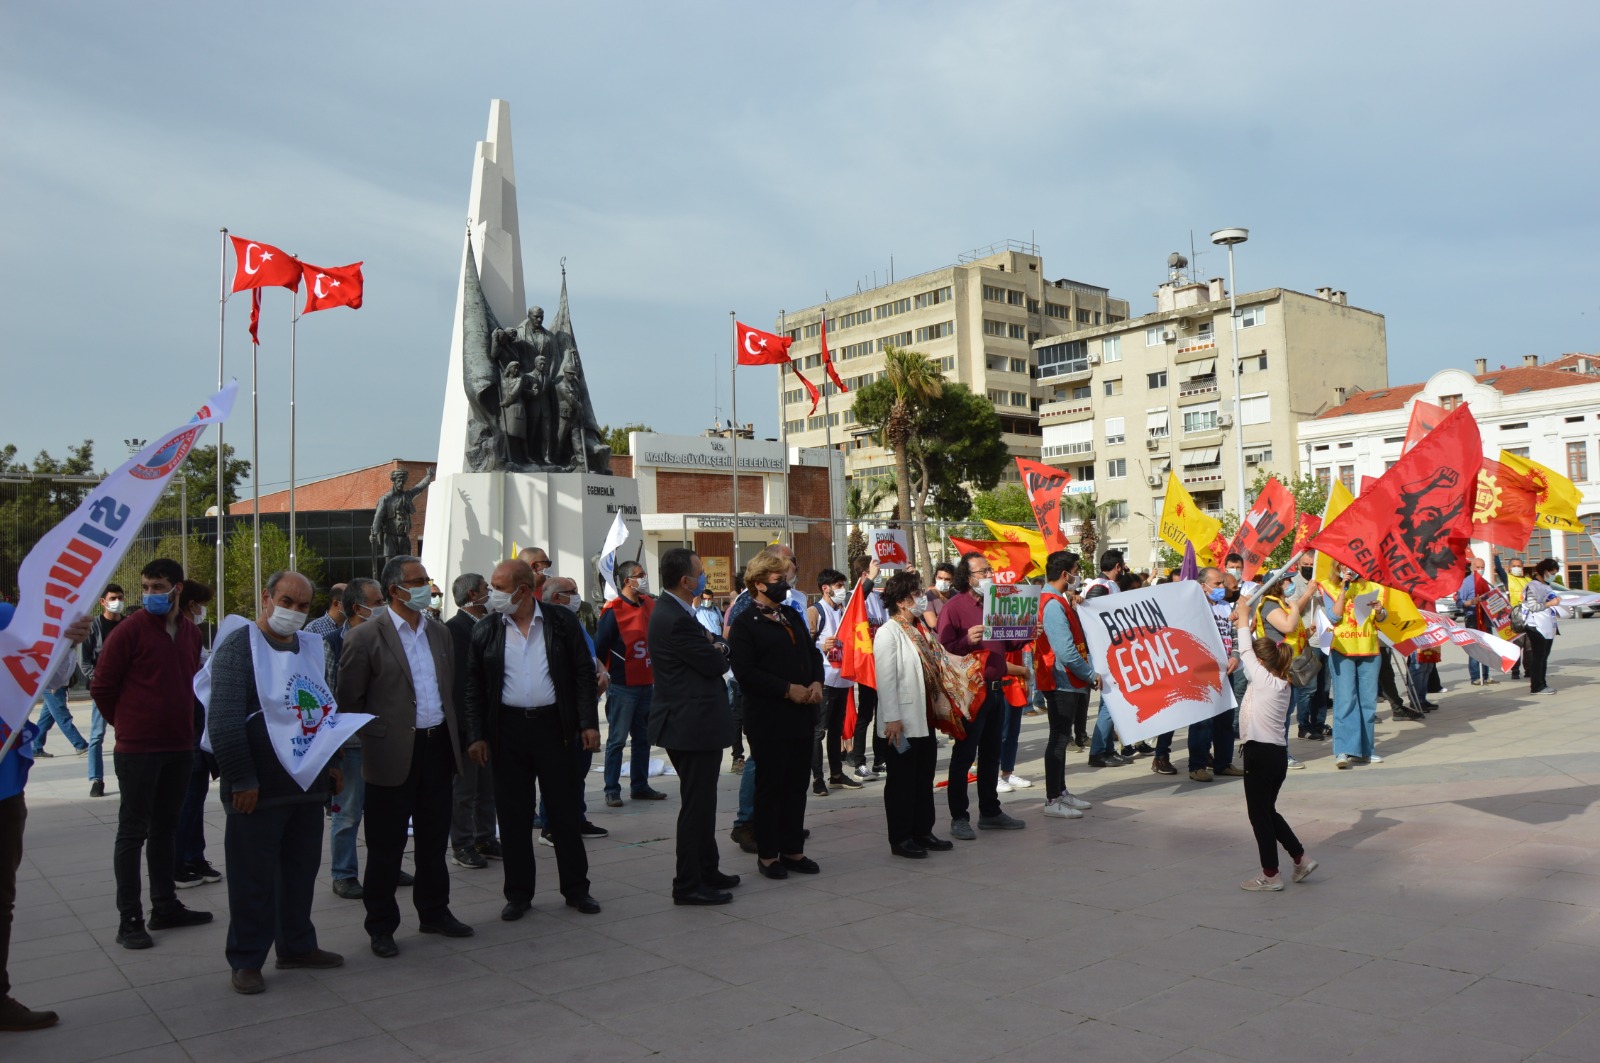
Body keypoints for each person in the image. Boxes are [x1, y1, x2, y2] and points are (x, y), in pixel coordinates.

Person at [208, 571, 346, 994]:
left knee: (300, 872)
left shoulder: (311, 647)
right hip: (258, 789)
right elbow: (224, 718)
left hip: (305, 784)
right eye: (287, 601)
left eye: (304, 606)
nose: (295, 612)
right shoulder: (239, 646)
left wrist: (334, 761)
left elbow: (326, 706)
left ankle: (297, 945)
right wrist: (241, 777)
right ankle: (247, 959)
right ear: (267, 598)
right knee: (253, 879)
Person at [335, 555, 471, 958]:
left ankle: (435, 912)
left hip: (437, 749)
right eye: (418, 581)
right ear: (395, 590)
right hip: (389, 755)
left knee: (433, 840)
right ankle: (381, 926)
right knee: (385, 846)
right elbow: (349, 702)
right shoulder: (364, 637)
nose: (427, 587)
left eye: (427, 580)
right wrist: (374, 741)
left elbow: (447, 690)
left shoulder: (438, 633)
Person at [464, 561, 601, 921]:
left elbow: (583, 674)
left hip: (555, 729)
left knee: (564, 813)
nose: (491, 594)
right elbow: (473, 688)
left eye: (499, 587)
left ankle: (576, 890)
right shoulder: (487, 629)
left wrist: (588, 722)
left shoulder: (559, 621)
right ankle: (519, 894)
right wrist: (477, 735)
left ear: (523, 590)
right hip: (506, 733)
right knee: (512, 817)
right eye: (491, 586)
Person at [89, 558, 212, 950]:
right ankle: (130, 919)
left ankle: (165, 906)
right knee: (132, 832)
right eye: (145, 587)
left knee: (166, 830)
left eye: (157, 587)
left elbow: (191, 685)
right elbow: (102, 687)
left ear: (177, 588)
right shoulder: (128, 632)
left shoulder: (191, 633)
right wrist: (127, 724)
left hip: (179, 748)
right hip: (138, 751)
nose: (149, 595)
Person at [1, 604, 91, 1031]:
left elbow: (53, 679)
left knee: (1, 899)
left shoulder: (7, 619)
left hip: (3, 788)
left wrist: (66, 641)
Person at [648, 548, 741, 904]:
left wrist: (716, 645)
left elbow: (717, 646)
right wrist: (718, 647)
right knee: (696, 807)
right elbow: (715, 661)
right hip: (689, 724)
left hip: (694, 721)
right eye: (700, 572)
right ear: (686, 581)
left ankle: (707, 869)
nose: (705, 577)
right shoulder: (674, 617)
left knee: (703, 803)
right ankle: (688, 884)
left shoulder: (680, 612)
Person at [728, 553, 824, 880]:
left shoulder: (790, 614)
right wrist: (787, 689)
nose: (784, 585)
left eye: (785, 578)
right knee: (771, 787)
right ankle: (769, 855)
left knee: (797, 784)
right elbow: (745, 672)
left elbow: (812, 654)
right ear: (758, 584)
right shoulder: (745, 623)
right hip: (769, 718)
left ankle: (793, 850)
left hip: (801, 715)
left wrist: (815, 681)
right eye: (777, 579)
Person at [935, 551, 1029, 839]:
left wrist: (1027, 633)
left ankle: (990, 811)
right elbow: (944, 649)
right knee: (964, 756)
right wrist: (966, 640)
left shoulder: (996, 603)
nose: (989, 576)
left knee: (991, 755)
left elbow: (1007, 641)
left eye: (990, 571)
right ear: (968, 576)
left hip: (997, 690)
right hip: (970, 693)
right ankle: (959, 816)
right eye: (983, 572)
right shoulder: (954, 607)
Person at [1230, 597, 1317, 891]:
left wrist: (1243, 615)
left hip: (1260, 754)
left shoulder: (1266, 680)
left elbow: (1244, 649)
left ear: (1262, 663)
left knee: (1260, 818)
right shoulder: (1278, 680)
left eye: (1255, 660)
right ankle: (1300, 857)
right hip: (1275, 756)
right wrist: (1251, 626)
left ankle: (1270, 875)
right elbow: (1251, 650)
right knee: (1268, 811)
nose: (1249, 664)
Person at [323, 578, 400, 900]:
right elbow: (329, 694)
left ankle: (388, 867)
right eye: (377, 600)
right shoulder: (331, 642)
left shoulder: (391, 636)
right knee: (348, 812)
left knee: (389, 811)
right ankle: (344, 873)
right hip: (352, 743)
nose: (383, 605)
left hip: (386, 740)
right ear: (357, 608)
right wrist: (334, 745)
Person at [873, 571, 954, 858]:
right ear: (904, 601)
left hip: (925, 716)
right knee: (901, 782)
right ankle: (901, 837)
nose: (922, 598)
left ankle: (923, 830)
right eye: (917, 594)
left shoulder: (919, 629)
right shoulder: (888, 632)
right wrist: (892, 718)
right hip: (902, 720)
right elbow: (886, 679)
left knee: (923, 777)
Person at [535, 574, 609, 843]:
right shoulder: (549, 626)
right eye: (572, 591)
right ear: (556, 597)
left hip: (586, 706)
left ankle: (577, 818)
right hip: (565, 710)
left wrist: (601, 671)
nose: (578, 595)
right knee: (559, 773)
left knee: (579, 769)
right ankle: (551, 825)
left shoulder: (573, 621)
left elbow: (589, 655)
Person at [595, 560, 667, 807]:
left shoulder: (649, 603)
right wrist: (605, 674)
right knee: (617, 739)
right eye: (640, 575)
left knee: (643, 738)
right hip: (624, 686)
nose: (644, 578)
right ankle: (611, 789)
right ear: (627, 581)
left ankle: (640, 785)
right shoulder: (613, 609)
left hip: (648, 682)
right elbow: (600, 647)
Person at [1036, 550, 1097, 820]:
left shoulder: (1059, 600)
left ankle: (1061, 791)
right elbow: (1065, 651)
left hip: (1067, 679)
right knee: (1059, 740)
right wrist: (1089, 674)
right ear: (1065, 574)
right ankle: (1052, 798)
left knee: (1061, 739)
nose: (1077, 576)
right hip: (1061, 680)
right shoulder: (1051, 604)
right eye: (1075, 570)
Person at [446, 572, 498, 870]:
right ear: (471, 596)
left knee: (487, 787)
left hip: (490, 722)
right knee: (465, 789)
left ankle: (485, 837)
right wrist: (471, 728)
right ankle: (463, 844)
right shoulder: (456, 629)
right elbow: (463, 684)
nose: (490, 593)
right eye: (485, 589)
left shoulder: (487, 624)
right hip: (469, 725)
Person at [174, 581, 221, 889]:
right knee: (188, 798)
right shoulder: (178, 634)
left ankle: (195, 856)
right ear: (192, 605)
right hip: (186, 726)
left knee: (197, 795)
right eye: (203, 604)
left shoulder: (192, 634)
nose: (205, 610)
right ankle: (178, 863)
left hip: (199, 726)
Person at [1321, 563, 1389, 769]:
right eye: (1344, 566)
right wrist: (1343, 590)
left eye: (1353, 565)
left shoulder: (1372, 586)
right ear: (1337, 567)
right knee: (1345, 700)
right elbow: (1333, 617)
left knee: (1368, 702)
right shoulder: (1328, 586)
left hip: (1369, 647)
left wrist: (1380, 610)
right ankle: (1343, 751)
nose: (1349, 569)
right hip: (1343, 649)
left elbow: (1382, 619)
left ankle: (1365, 751)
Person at [1187, 567, 1245, 783]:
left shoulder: (1225, 607)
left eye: (1223, 583)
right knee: (1202, 721)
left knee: (1225, 719)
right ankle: (1198, 765)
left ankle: (1223, 762)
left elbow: (1234, 634)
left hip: (1225, 669)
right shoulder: (1193, 608)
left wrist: (1235, 656)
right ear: (1204, 586)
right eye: (1218, 584)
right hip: (1202, 671)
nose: (1222, 588)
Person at [806, 568, 858, 795]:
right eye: (838, 586)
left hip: (843, 679)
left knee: (837, 730)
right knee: (819, 732)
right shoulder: (815, 611)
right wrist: (820, 645)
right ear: (825, 588)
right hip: (825, 680)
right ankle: (818, 778)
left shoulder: (844, 611)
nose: (842, 590)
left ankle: (836, 773)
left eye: (843, 586)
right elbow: (804, 645)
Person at [1084, 550, 1132, 768]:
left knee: (1111, 702)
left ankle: (1107, 750)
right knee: (1110, 703)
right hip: (1104, 652)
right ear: (1119, 566)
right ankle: (1098, 752)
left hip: (1109, 650)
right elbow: (1095, 620)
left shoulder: (1104, 585)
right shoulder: (1099, 587)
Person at [79, 583, 126, 797]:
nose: (117, 602)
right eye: (113, 598)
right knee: (97, 736)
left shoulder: (129, 626)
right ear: (103, 602)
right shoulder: (94, 627)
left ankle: (125, 776)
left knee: (125, 735)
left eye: (120, 597)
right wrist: (99, 681)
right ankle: (96, 779)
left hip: (126, 691)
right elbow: (85, 661)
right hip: (103, 690)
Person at [845, 554, 888, 782]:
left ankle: (880, 759)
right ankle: (859, 761)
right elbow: (859, 599)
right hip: (866, 664)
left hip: (883, 662)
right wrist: (869, 579)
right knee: (866, 714)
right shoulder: (855, 596)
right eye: (874, 571)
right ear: (865, 574)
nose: (878, 575)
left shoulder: (879, 599)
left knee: (883, 714)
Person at [1522, 558, 1562, 695]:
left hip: (1547, 626)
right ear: (1544, 571)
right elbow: (1532, 606)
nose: (1553, 575)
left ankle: (1542, 683)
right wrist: (1549, 604)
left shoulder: (1547, 585)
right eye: (1552, 572)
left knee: (1544, 656)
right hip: (1535, 625)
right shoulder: (1533, 585)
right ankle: (1536, 686)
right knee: (1538, 656)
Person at [1457, 556, 1497, 688]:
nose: (1480, 570)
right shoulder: (1466, 583)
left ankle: (1485, 674)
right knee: (1475, 648)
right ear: (1472, 568)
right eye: (1477, 567)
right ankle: (1475, 676)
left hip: (1485, 618)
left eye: (1482, 567)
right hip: (1473, 617)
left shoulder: (1485, 582)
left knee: (1487, 646)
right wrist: (1471, 602)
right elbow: (1459, 602)